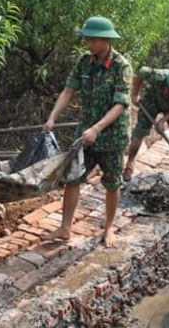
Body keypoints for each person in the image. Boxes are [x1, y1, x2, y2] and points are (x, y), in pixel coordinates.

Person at [43, 16, 132, 248]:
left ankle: (109, 227)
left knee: (112, 183)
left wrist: (97, 128)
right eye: (86, 39)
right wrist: (52, 117)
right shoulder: (84, 62)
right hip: (86, 135)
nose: (87, 43)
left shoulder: (122, 66)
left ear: (105, 40)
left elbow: (120, 105)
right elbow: (68, 91)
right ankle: (65, 228)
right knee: (73, 178)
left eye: (91, 39)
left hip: (112, 136)